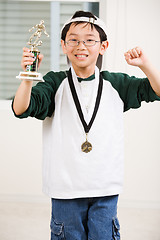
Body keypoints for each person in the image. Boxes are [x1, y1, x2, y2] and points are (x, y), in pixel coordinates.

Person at [12, 10, 160, 240]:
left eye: (90, 40)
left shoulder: (116, 83)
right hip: (65, 188)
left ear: (103, 46)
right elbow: (21, 108)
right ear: (63, 45)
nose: (81, 46)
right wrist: (28, 77)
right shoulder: (54, 82)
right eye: (73, 39)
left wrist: (145, 64)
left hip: (105, 187)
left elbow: (157, 90)